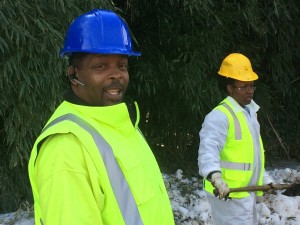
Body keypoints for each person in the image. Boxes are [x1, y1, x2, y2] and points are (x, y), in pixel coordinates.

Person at [28, 9, 175, 225]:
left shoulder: (122, 124)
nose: (116, 74)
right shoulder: (66, 146)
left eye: (122, 65)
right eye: (101, 66)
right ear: (73, 73)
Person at [198, 53, 271, 225]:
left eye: (252, 86)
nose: (249, 91)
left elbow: (252, 154)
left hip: (245, 192)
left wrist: (266, 180)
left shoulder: (250, 113)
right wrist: (215, 178)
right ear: (230, 88)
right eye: (243, 86)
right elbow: (208, 149)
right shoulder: (219, 116)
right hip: (227, 193)